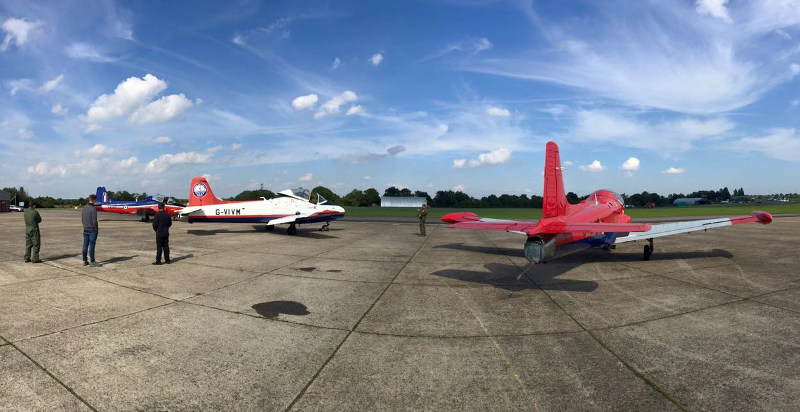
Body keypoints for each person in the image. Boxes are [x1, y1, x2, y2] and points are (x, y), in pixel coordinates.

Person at [82, 194, 99, 266]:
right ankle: (92, 261)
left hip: (85, 228)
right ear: (94, 200)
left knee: (85, 245)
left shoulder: (84, 207)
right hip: (92, 229)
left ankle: (84, 260)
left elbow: (82, 219)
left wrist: (85, 226)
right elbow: (94, 220)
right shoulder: (93, 209)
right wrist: (96, 229)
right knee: (92, 246)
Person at [23, 199, 42, 263]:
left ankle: (27, 258)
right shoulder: (35, 212)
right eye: (35, 205)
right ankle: (35, 259)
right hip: (34, 229)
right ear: (33, 206)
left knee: (28, 245)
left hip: (27, 229)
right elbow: (39, 220)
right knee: (36, 244)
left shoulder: (25, 211)